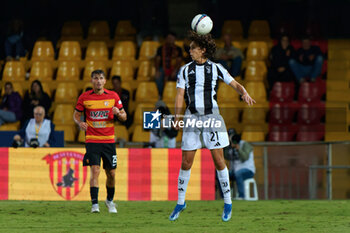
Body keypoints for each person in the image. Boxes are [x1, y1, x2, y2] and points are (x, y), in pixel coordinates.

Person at [169, 31, 255, 222]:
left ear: (203, 50)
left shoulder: (216, 68)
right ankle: (181, 202)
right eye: (190, 48)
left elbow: (234, 83)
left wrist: (244, 92)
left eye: (193, 48)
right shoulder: (184, 70)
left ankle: (228, 202)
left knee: (218, 161)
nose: (190, 51)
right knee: (186, 162)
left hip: (212, 118)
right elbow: (179, 95)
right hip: (192, 118)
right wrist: (177, 116)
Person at [73, 70, 127, 214]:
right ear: (92, 81)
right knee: (95, 171)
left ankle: (109, 201)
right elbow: (76, 115)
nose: (98, 81)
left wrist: (118, 113)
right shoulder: (84, 97)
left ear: (105, 81)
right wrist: (79, 123)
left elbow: (124, 117)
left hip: (109, 141)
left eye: (101, 78)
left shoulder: (113, 96)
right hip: (92, 141)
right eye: (95, 78)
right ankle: (94, 204)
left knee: (111, 173)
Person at [224, 129, 255, 200]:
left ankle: (241, 196)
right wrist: (226, 147)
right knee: (222, 175)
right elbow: (226, 157)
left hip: (248, 170)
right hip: (235, 170)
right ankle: (224, 197)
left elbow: (244, 157)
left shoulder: (245, 144)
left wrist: (238, 149)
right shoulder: (230, 147)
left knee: (238, 174)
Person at [155, 32, 183, 98]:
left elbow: (179, 61)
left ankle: (180, 95)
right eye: (169, 38)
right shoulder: (160, 49)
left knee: (180, 77)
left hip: (175, 68)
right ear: (166, 39)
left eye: (172, 38)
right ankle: (161, 95)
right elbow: (157, 60)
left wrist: (175, 70)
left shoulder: (178, 49)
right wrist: (157, 70)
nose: (170, 40)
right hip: (163, 68)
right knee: (158, 77)